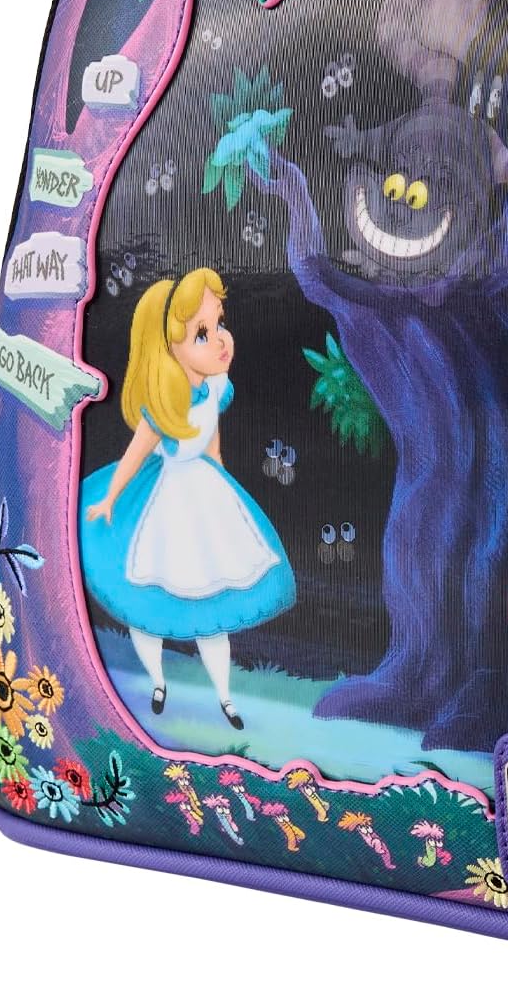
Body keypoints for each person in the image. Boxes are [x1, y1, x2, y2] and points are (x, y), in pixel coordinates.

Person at [80, 267, 294, 729]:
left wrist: (221, 477)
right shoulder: (162, 405)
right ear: (169, 348)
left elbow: (212, 441)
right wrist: (110, 498)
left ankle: (225, 698)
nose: (221, 339)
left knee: (213, 607)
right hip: (164, 502)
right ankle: (157, 682)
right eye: (202, 333)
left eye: (219, 323)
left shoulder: (215, 387)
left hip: (205, 492)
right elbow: (134, 455)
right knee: (148, 601)